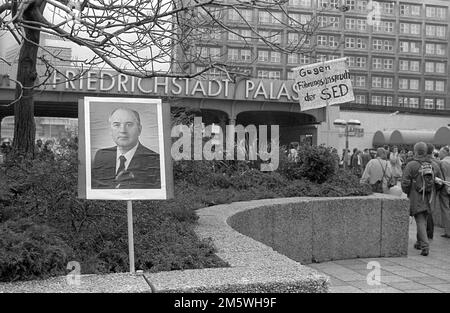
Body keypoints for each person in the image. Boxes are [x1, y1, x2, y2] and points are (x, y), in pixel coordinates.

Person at [91, 107, 160, 189]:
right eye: (116, 125)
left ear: (139, 129)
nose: (123, 130)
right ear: (110, 130)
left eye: (129, 124)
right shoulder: (101, 155)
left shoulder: (155, 160)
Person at [401, 142, 443, 256]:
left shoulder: (412, 165)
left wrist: (408, 191)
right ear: (426, 151)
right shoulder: (434, 165)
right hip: (430, 197)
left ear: (415, 151)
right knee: (423, 219)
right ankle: (419, 242)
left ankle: (425, 245)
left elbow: (404, 182)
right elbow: (440, 183)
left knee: (419, 220)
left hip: (417, 196)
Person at [438, 146, 450, 238]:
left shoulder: (442, 162)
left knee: (445, 209)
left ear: (445, 153)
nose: (439, 153)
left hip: (445, 188)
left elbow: (441, 178)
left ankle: (448, 231)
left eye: (441, 152)